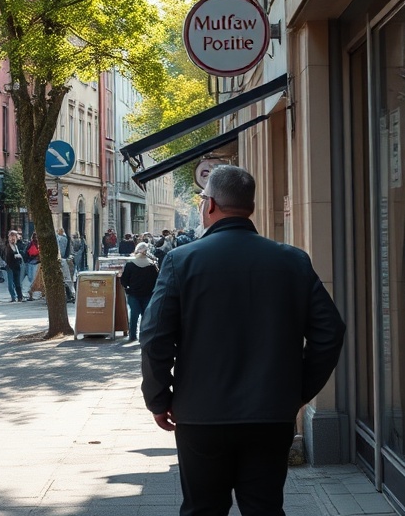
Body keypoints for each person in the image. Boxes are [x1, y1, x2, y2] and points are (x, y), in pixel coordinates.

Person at [140, 165, 345, 516]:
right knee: (264, 508)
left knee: (203, 509)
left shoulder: (181, 261)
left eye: (203, 199)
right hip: (270, 412)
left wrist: (159, 398)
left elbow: (155, 337)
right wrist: (297, 392)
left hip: (201, 414)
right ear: (248, 205)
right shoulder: (292, 261)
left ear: (211, 204)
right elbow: (330, 332)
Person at [121, 242, 159, 342]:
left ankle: (132, 335)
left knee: (134, 315)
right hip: (148, 294)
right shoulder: (152, 265)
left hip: (133, 294)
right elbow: (156, 280)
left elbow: (124, 280)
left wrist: (127, 288)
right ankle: (143, 335)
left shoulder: (130, 264)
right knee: (146, 316)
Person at [3, 230, 25, 302]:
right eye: (11, 236)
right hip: (10, 267)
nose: (13, 238)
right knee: (10, 283)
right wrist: (14, 255)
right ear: (9, 237)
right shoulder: (7, 246)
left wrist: (20, 255)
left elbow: (23, 253)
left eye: (14, 237)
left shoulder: (17, 245)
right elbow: (6, 257)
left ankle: (20, 297)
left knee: (17, 283)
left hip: (17, 266)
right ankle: (13, 297)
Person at [23, 233, 41, 300]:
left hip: (34, 263)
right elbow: (26, 253)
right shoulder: (31, 244)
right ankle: (30, 293)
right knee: (31, 278)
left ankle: (31, 293)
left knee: (32, 279)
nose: (36, 238)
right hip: (31, 262)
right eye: (35, 237)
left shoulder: (36, 244)